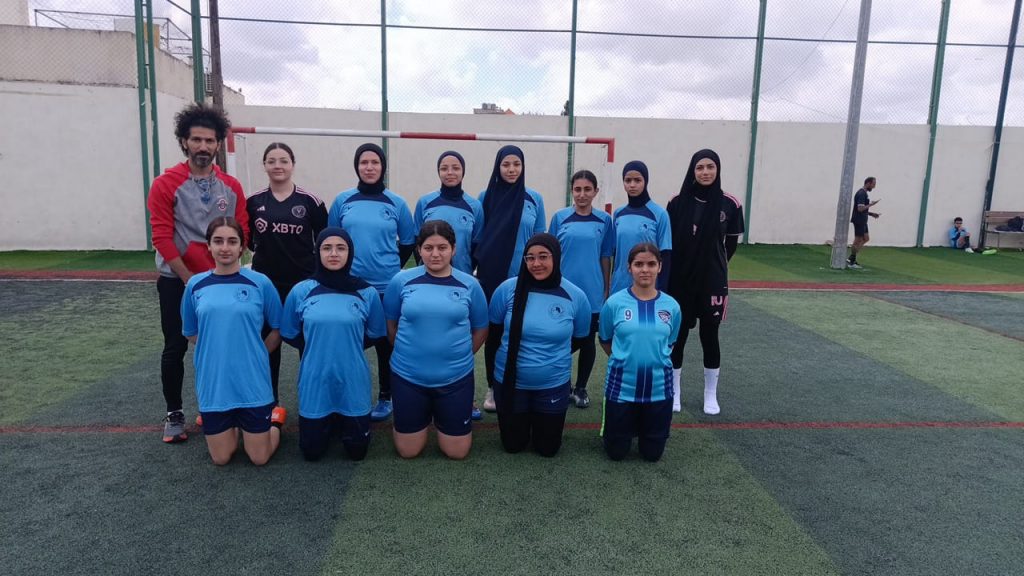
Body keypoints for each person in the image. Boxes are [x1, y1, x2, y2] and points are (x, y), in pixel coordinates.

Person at [148, 102, 248, 444]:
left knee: (220, 346)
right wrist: (190, 279)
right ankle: (174, 413)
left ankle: (218, 407)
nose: (203, 146)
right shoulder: (165, 184)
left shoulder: (231, 186)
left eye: (209, 140)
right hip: (179, 281)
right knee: (175, 345)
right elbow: (161, 236)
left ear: (218, 143)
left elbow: (242, 230)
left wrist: (225, 271)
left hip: (220, 281)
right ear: (184, 142)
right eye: (196, 140)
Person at [180, 217, 286, 465]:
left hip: (252, 381)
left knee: (259, 458)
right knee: (221, 458)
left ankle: (275, 422)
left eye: (232, 241)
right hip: (215, 382)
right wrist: (216, 349)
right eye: (218, 241)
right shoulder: (195, 285)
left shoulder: (260, 283)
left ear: (242, 247)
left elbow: (279, 328)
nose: (225, 248)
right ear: (209, 246)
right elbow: (190, 331)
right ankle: (234, 427)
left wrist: (259, 352)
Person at [384, 220, 489, 460]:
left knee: (457, 452)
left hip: (455, 379)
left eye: (442, 247)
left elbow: (481, 328)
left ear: (454, 249)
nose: (435, 254)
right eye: (428, 248)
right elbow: (391, 325)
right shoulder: (400, 281)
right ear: (419, 249)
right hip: (408, 377)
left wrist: (460, 356)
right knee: (408, 451)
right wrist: (409, 353)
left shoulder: (470, 285)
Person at [280, 228, 386, 461]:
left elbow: (376, 332)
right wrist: (317, 345)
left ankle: (344, 421)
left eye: (341, 248)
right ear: (318, 252)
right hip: (315, 378)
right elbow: (290, 332)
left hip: (353, 378)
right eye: (327, 248)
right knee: (312, 453)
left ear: (350, 252)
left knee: (357, 452)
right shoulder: (301, 291)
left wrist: (348, 344)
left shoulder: (366, 292)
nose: (334, 254)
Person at [328, 143, 416, 423]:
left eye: (374, 162)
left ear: (383, 167)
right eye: (364, 162)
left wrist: (388, 266)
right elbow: (332, 240)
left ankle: (387, 396)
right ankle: (343, 396)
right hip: (349, 286)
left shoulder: (396, 203)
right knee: (349, 340)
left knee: (385, 343)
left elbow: (408, 241)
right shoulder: (343, 200)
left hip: (385, 286)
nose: (369, 167)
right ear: (357, 166)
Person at [489, 234, 591, 456]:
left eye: (543, 256)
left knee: (547, 449)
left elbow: (580, 338)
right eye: (530, 258)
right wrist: (492, 382)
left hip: (552, 384)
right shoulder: (506, 290)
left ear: (556, 257)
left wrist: (548, 357)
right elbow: (494, 337)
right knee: (513, 446)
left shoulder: (576, 296)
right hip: (510, 384)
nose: (536, 263)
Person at [247, 142, 328, 406]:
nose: (278, 166)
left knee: (307, 344)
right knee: (268, 345)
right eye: (271, 161)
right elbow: (249, 242)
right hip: (266, 286)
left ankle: (313, 401)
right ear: (264, 165)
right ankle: (268, 403)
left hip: (302, 284)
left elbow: (325, 241)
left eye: (283, 160)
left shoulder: (311, 201)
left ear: (293, 164)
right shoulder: (254, 202)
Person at [666, 149, 744, 415]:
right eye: (700, 167)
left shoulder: (730, 204)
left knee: (709, 336)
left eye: (710, 167)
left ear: (717, 169)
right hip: (681, 280)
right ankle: (675, 392)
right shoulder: (677, 202)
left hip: (712, 281)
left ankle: (710, 394)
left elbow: (730, 245)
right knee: (677, 336)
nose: (705, 172)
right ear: (692, 170)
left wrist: (713, 266)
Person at [474, 145, 546, 413]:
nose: (512, 169)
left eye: (517, 164)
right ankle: (493, 387)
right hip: (492, 278)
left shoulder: (534, 198)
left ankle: (519, 385)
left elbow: (539, 238)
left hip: (524, 277)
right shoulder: (486, 196)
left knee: (522, 332)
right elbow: (479, 237)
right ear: (498, 167)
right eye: (506, 164)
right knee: (494, 334)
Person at [599, 243, 681, 462]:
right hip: (621, 388)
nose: (645, 270)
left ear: (659, 267)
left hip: (659, 390)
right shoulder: (614, 303)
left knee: (652, 455)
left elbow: (670, 342)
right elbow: (605, 340)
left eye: (651, 264)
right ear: (629, 268)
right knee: (616, 453)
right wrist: (626, 359)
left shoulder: (672, 306)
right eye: (639, 264)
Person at [548, 169, 614, 408]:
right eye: (577, 189)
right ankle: (562, 384)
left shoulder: (605, 220)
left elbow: (605, 256)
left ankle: (581, 387)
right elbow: (551, 254)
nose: (582, 194)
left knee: (587, 341)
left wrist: (605, 288)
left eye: (587, 189)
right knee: (562, 339)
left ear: (596, 191)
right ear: (571, 191)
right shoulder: (560, 218)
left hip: (592, 292)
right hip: (563, 291)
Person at [414, 150, 485, 274]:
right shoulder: (425, 202)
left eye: (456, 168)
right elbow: (416, 240)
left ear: (463, 171)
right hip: (429, 275)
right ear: (438, 172)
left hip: (462, 273)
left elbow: (477, 246)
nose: (450, 172)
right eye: (444, 168)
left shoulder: (475, 206)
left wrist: (466, 268)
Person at [610, 160, 672, 295]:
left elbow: (665, 255)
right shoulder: (618, 214)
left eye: (637, 180)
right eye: (628, 180)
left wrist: (662, 290)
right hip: (619, 286)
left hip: (648, 287)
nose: (632, 185)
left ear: (646, 181)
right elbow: (615, 254)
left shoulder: (659, 214)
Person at [847, 176, 880, 269]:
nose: (874, 186)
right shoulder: (861, 193)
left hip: (863, 220)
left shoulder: (864, 193)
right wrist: (871, 204)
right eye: (873, 184)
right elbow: (860, 209)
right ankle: (851, 261)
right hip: (859, 220)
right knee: (857, 240)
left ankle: (851, 257)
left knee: (866, 238)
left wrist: (871, 214)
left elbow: (862, 209)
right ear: (868, 183)